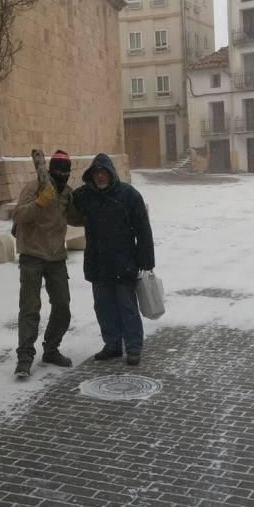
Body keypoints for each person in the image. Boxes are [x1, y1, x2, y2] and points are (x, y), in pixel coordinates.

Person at [68, 153, 154, 367]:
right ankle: (112, 344)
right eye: (96, 173)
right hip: (98, 262)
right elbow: (67, 199)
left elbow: (143, 229)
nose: (100, 177)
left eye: (103, 172)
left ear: (111, 173)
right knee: (103, 306)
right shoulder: (86, 195)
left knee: (127, 306)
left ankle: (133, 347)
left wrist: (146, 260)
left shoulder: (129, 194)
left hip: (124, 261)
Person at [12, 150, 74, 379]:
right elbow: (18, 216)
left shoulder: (67, 193)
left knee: (63, 306)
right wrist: (39, 203)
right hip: (32, 255)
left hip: (57, 257)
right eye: (58, 169)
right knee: (30, 309)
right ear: (49, 169)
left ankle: (51, 349)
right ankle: (24, 359)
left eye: (66, 170)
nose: (62, 174)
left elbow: (77, 216)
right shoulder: (34, 188)